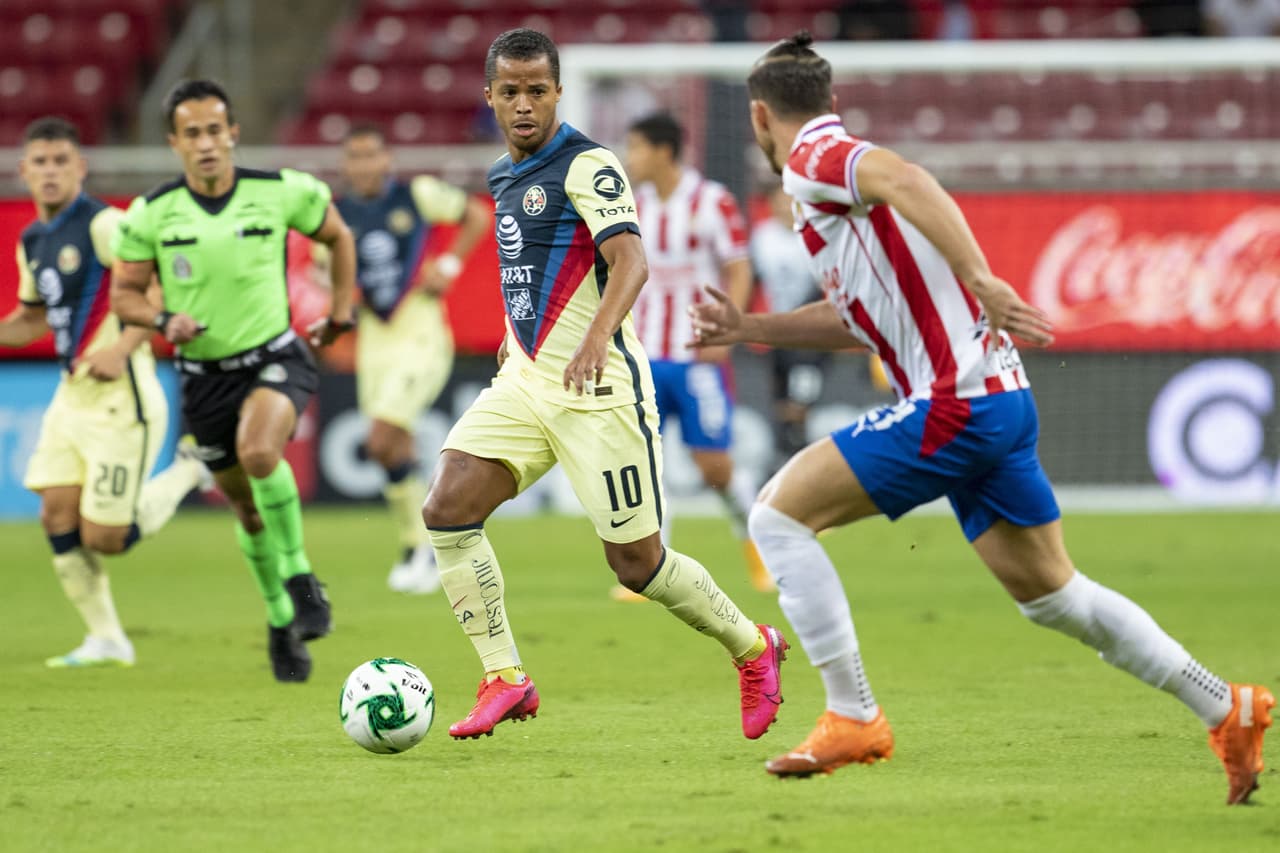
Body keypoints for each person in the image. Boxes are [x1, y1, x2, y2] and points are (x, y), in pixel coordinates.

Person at [689, 32, 1272, 804]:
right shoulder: (836, 199)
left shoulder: (812, 158)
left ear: (761, 117)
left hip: (953, 404)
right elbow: (857, 316)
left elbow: (906, 176)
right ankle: (1226, 706)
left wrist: (981, 278)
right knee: (1055, 596)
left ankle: (853, 711)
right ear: (831, 98)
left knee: (777, 519)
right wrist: (749, 328)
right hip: (999, 401)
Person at [420, 28, 787, 742]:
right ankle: (505, 675)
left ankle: (752, 645)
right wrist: (510, 335)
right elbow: (526, 269)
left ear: (557, 93)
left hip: (600, 389)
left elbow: (630, 262)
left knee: (638, 563)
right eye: (511, 91)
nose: (524, 104)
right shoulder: (501, 176)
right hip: (526, 382)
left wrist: (594, 338)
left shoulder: (590, 164)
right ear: (489, 96)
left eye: (537, 90)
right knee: (447, 507)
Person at [110, 79, 358, 683]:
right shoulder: (152, 214)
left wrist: (344, 309)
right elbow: (124, 293)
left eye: (215, 130)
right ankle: (280, 620)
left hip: (275, 355)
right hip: (202, 379)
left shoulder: (279, 192)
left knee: (258, 451)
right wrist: (165, 318)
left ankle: (300, 579)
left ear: (233, 133)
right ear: (174, 143)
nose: (206, 144)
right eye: (192, 133)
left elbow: (337, 235)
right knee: (247, 513)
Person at [0, 117, 209, 667]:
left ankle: (190, 468)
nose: (49, 172)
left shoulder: (103, 226)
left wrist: (124, 346)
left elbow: (157, 284)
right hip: (73, 395)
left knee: (107, 538)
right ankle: (108, 638)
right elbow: (31, 318)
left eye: (60, 161)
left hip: (123, 395)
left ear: (80, 168)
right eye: (39, 162)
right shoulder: (34, 238)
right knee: (55, 515)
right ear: (23, 171)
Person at [333, 124, 491, 594]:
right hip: (375, 339)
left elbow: (477, 216)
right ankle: (424, 546)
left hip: (421, 335)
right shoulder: (337, 216)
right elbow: (328, 276)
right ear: (346, 165)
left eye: (371, 154)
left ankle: (419, 545)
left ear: (387, 160)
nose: (364, 165)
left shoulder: (417, 196)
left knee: (381, 438)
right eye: (354, 156)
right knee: (391, 447)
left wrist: (448, 265)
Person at [620, 111, 771, 597]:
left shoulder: (712, 201)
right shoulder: (631, 204)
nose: (630, 158)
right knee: (644, 464)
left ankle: (759, 550)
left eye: (637, 147)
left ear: (664, 151)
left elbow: (740, 269)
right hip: (644, 357)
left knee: (714, 468)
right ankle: (648, 569)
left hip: (696, 359)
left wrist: (727, 333)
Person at [750, 180, 830, 465]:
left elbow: (824, 288)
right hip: (779, 336)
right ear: (770, 204)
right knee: (780, 403)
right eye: (778, 200)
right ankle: (789, 460)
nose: (784, 206)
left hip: (811, 337)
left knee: (800, 402)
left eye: (789, 200)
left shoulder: (812, 236)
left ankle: (798, 457)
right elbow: (752, 281)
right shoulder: (762, 237)